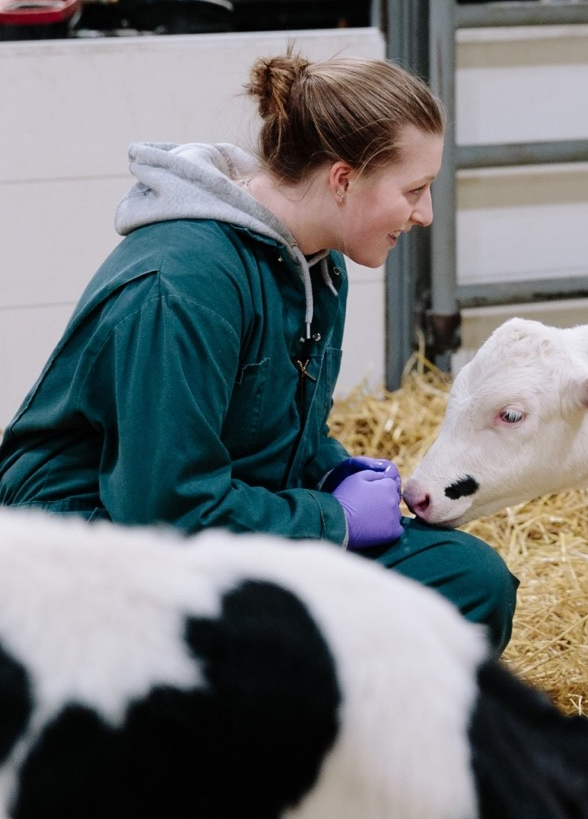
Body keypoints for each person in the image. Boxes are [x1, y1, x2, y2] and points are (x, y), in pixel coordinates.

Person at [0, 51, 518, 654]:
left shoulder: (317, 264)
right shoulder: (182, 286)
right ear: (344, 180)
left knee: (466, 581)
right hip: (92, 548)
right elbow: (163, 511)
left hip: (221, 530)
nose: (424, 214)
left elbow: (263, 430)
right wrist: (335, 521)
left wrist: (327, 468)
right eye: (415, 190)